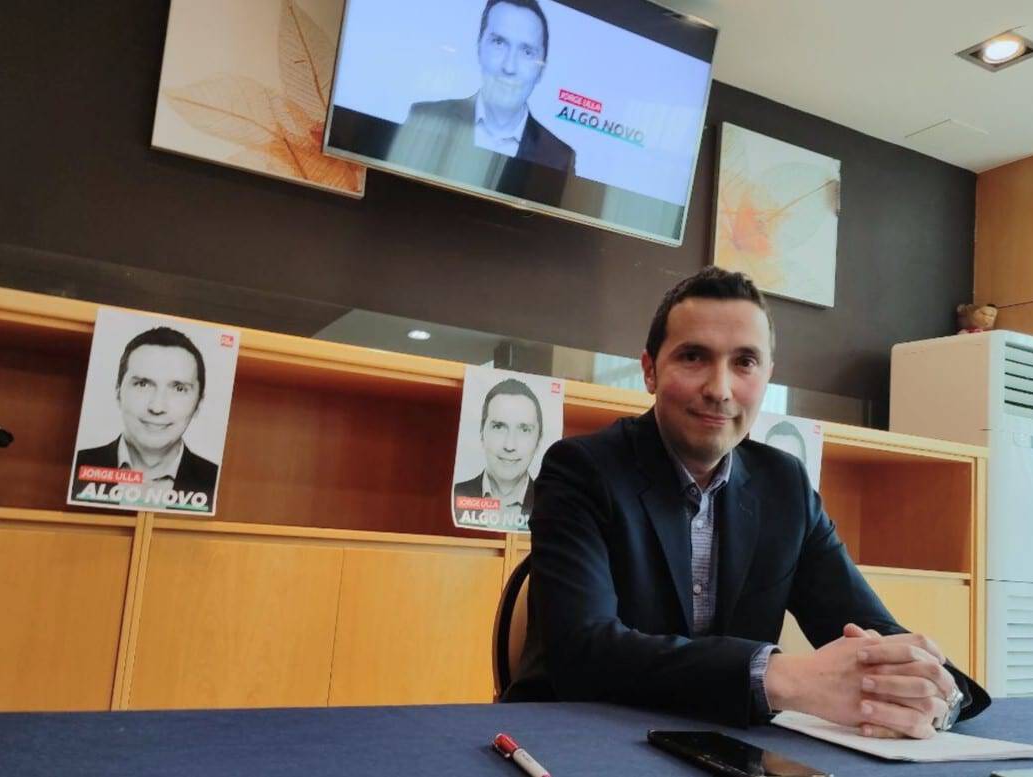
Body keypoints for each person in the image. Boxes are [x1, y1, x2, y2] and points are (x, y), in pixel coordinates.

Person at [504, 267, 990, 739]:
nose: (719, 389)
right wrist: (781, 678)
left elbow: (868, 630)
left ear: (767, 375)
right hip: (581, 741)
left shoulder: (785, 484)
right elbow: (584, 654)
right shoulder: (580, 469)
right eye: (694, 357)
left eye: (745, 362)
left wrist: (934, 693)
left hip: (728, 747)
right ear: (650, 370)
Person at [390, 0, 575, 174]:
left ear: (541, 69)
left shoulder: (559, 157)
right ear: (479, 48)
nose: (509, 67)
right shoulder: (425, 117)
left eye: (527, 52)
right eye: (499, 43)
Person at [71, 327, 219, 511]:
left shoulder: (215, 480)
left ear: (199, 402)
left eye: (179, 388)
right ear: (118, 392)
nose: (157, 407)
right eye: (143, 384)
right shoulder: (78, 465)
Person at [454, 378, 543, 518]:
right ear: (481, 433)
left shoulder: (550, 504)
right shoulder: (455, 494)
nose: (510, 445)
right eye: (499, 427)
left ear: (539, 440)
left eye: (524, 429)